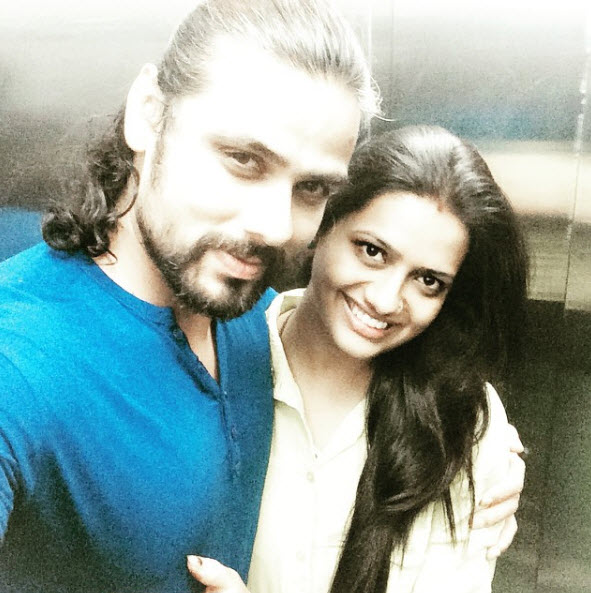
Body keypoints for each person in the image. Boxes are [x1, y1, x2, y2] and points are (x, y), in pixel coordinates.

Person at [0, 1, 522, 591]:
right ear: (148, 112)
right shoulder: (19, 360)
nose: (276, 227)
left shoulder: (246, 318)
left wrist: (477, 446)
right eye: (244, 160)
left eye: (312, 187)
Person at [187, 125, 529, 593]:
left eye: (428, 281)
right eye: (372, 251)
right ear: (322, 226)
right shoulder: (209, 356)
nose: (386, 300)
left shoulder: (465, 419)